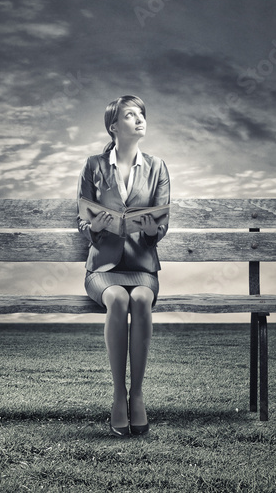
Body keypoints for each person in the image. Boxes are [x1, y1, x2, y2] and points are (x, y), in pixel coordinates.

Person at [77, 95, 170, 436]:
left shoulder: (158, 167)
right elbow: (82, 220)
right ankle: (118, 396)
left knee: (141, 299)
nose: (140, 119)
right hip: (103, 269)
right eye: (131, 115)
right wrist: (96, 227)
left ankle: (138, 395)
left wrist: (150, 232)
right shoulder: (93, 166)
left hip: (143, 266)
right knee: (117, 298)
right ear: (114, 126)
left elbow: (162, 223)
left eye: (141, 114)